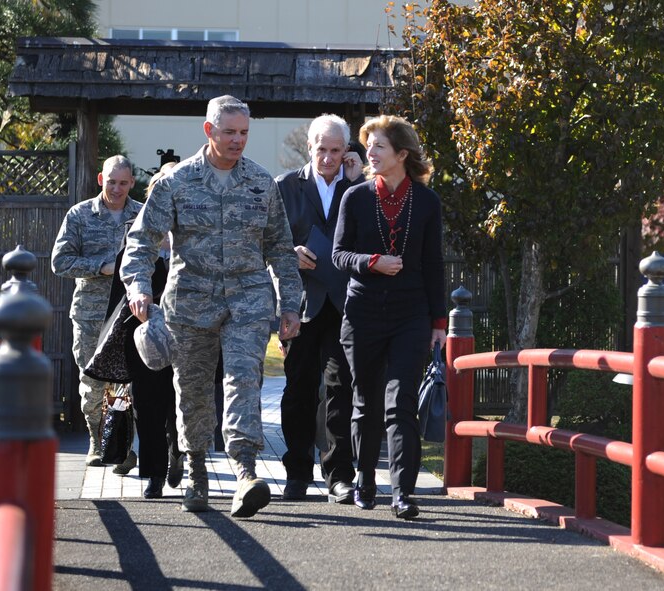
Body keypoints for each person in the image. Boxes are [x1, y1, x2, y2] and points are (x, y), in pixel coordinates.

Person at [120, 95, 302, 516]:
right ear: (208, 131)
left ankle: (245, 472)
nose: (238, 141)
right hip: (190, 303)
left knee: (243, 381)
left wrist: (290, 303)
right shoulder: (175, 183)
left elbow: (279, 247)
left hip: (249, 300)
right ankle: (196, 472)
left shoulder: (261, 183)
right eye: (229, 133)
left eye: (244, 133)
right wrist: (138, 286)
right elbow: (141, 240)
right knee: (194, 392)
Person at [332, 115, 446, 520]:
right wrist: (374, 263)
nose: (370, 154)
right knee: (365, 402)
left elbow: (434, 264)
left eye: (379, 146)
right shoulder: (355, 197)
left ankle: (403, 493)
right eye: (369, 146)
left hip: (411, 315)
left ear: (402, 153)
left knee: (401, 405)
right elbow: (339, 255)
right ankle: (364, 478)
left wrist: (439, 323)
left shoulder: (428, 201)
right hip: (362, 312)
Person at [274, 114, 363, 503]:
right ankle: (296, 473)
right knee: (298, 389)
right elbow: (266, 241)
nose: (328, 157)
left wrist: (360, 179)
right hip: (300, 303)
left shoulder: (360, 188)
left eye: (336, 150)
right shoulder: (284, 187)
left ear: (346, 152)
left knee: (339, 388)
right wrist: (288, 253)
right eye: (321, 149)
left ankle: (339, 475)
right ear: (308, 148)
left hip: (345, 303)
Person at [85, 162, 184, 499]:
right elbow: (121, 290)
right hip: (143, 335)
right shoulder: (137, 234)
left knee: (180, 404)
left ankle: (178, 449)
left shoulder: (195, 233)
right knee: (148, 405)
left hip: (188, 333)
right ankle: (154, 475)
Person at [52, 155, 143, 467]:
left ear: (132, 182)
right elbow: (59, 262)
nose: (117, 189)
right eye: (111, 182)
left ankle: (121, 448)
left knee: (126, 383)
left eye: (123, 183)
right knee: (92, 383)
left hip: (128, 313)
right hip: (90, 314)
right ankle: (96, 441)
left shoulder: (142, 215)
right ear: (101, 180)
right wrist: (99, 268)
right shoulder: (80, 215)